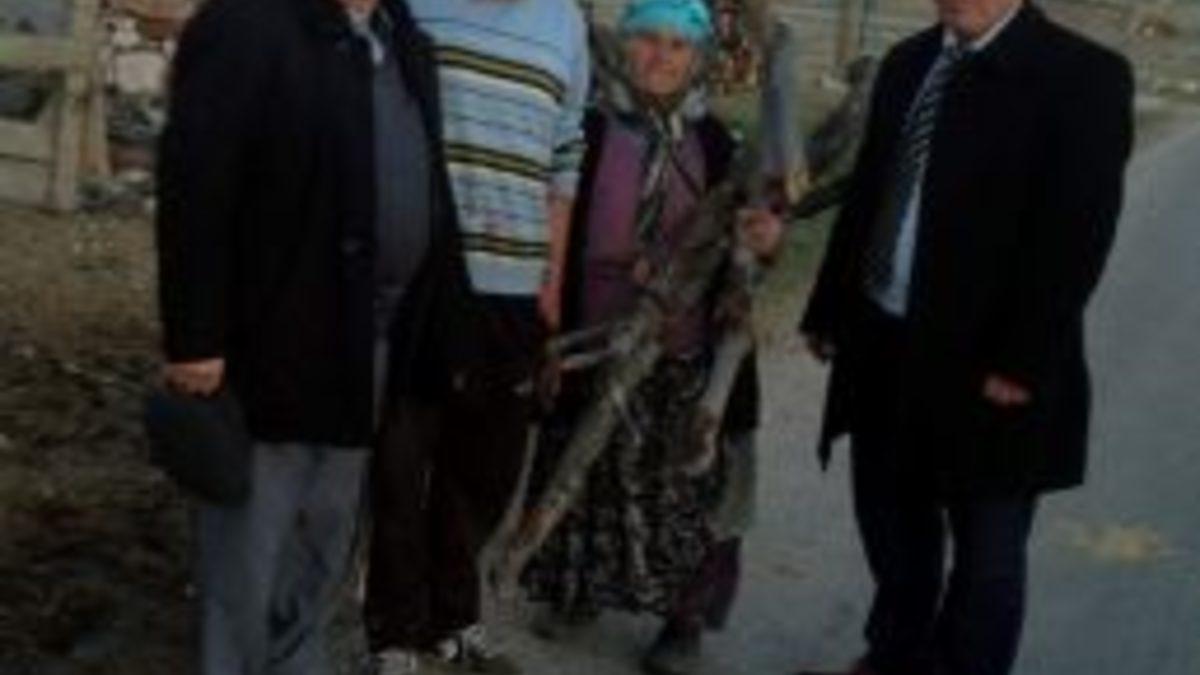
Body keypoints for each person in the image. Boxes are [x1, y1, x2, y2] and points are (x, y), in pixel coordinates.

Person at [796, 1, 1133, 674]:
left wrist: (1022, 359)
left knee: (987, 556)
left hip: (989, 364)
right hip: (886, 341)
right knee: (893, 526)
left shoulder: (1083, 77)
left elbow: (1076, 232)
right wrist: (830, 307)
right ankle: (894, 657)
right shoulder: (909, 62)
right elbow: (870, 194)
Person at [155, 0, 468, 672]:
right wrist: (194, 337)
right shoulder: (246, 24)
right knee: (248, 547)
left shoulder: (405, 42)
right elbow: (195, 184)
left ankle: (296, 662)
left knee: (325, 537)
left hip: (368, 344)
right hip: (271, 341)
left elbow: (430, 186)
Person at [519, 2, 784, 674]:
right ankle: (579, 588)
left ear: (698, 58)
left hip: (682, 348)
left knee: (687, 489)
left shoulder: (719, 144)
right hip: (594, 337)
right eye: (646, 40)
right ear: (623, 45)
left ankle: (682, 622)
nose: (660, 57)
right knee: (587, 468)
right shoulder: (587, 129)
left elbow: (749, 243)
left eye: (676, 45)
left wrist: (763, 238)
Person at [361, 0, 590, 673]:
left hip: (515, 285)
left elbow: (566, 154)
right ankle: (394, 631)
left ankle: (453, 618)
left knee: (486, 468)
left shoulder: (565, 23)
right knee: (402, 461)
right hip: (423, 278)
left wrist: (551, 277)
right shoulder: (410, 8)